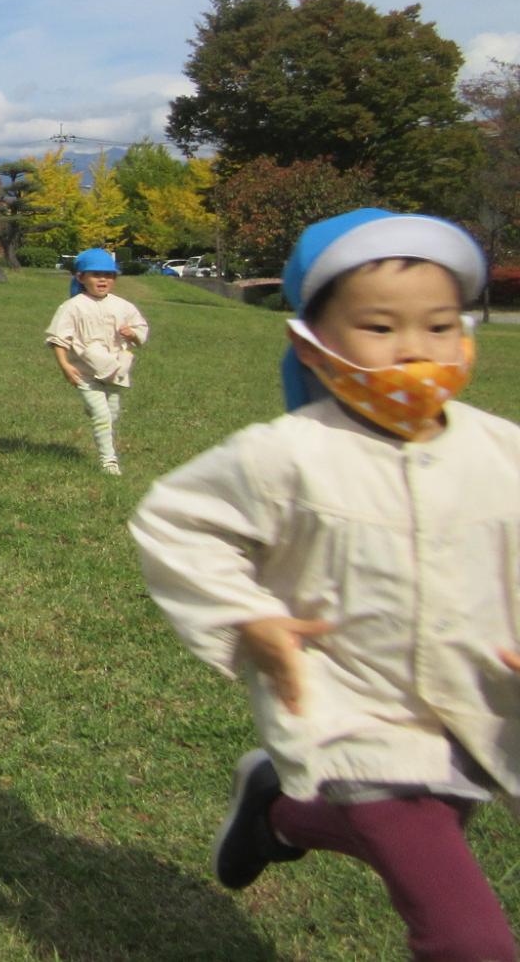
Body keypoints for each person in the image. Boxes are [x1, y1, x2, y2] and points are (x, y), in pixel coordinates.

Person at [130, 210, 519, 962]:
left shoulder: (502, 452)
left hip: (478, 710)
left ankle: (277, 815)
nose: (415, 348)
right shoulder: (290, 455)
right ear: (312, 342)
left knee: (427, 825)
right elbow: (176, 521)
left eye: (440, 326)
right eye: (380, 327)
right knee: (468, 936)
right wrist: (246, 614)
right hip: (352, 712)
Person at [45, 247, 149, 475]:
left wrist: (133, 334)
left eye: (109, 275)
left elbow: (141, 329)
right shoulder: (73, 307)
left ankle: (95, 413)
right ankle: (109, 461)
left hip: (115, 370)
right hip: (84, 373)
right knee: (102, 416)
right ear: (81, 277)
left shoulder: (122, 306)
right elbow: (59, 339)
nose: (103, 279)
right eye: (96, 274)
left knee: (112, 414)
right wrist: (65, 366)